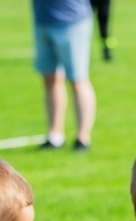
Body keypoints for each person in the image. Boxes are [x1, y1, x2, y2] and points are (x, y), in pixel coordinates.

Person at [32, 0, 97, 151]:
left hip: (71, 21)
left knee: (77, 80)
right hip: (42, 20)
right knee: (50, 79)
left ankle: (82, 138)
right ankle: (55, 135)